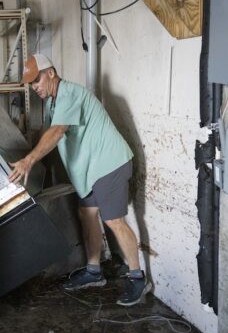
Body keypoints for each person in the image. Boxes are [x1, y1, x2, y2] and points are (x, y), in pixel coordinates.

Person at [9, 54, 151, 307]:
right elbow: (46, 130)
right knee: (86, 213)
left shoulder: (69, 94)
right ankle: (94, 271)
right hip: (91, 170)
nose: (35, 88)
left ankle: (138, 278)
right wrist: (24, 150)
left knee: (113, 220)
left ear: (51, 73)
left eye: (37, 81)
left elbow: (56, 131)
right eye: (31, 84)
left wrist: (29, 160)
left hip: (110, 164)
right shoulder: (54, 101)